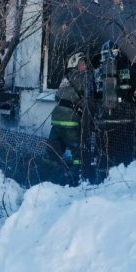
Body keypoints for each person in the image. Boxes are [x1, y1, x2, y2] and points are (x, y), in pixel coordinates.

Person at [48, 51, 87, 185]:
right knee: (78, 153)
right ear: (75, 65)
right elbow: (88, 97)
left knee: (54, 151)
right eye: (82, 64)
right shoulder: (81, 78)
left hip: (56, 119)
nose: (85, 67)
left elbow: (57, 97)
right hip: (69, 121)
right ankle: (77, 180)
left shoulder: (65, 78)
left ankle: (51, 179)